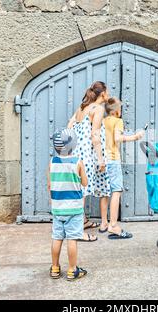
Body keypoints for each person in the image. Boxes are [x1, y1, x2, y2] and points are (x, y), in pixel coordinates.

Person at [67, 81, 111, 241]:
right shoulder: (97, 109)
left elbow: (70, 125)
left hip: (78, 153)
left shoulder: (82, 107)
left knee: (80, 189)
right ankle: (77, 231)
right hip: (89, 155)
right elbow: (95, 135)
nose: (109, 95)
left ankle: (83, 221)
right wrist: (100, 159)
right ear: (103, 94)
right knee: (83, 192)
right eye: (108, 92)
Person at [48, 128, 88, 281]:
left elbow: (49, 185)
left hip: (58, 208)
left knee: (57, 238)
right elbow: (84, 182)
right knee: (72, 239)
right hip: (75, 209)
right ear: (73, 145)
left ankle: (55, 268)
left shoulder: (52, 162)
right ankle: (72, 270)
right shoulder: (77, 162)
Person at [103, 97, 145, 239]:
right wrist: (136, 136)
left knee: (105, 191)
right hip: (113, 159)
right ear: (116, 111)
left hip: (104, 159)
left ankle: (105, 223)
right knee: (117, 190)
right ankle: (113, 225)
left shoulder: (104, 121)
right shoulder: (118, 121)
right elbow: (117, 138)